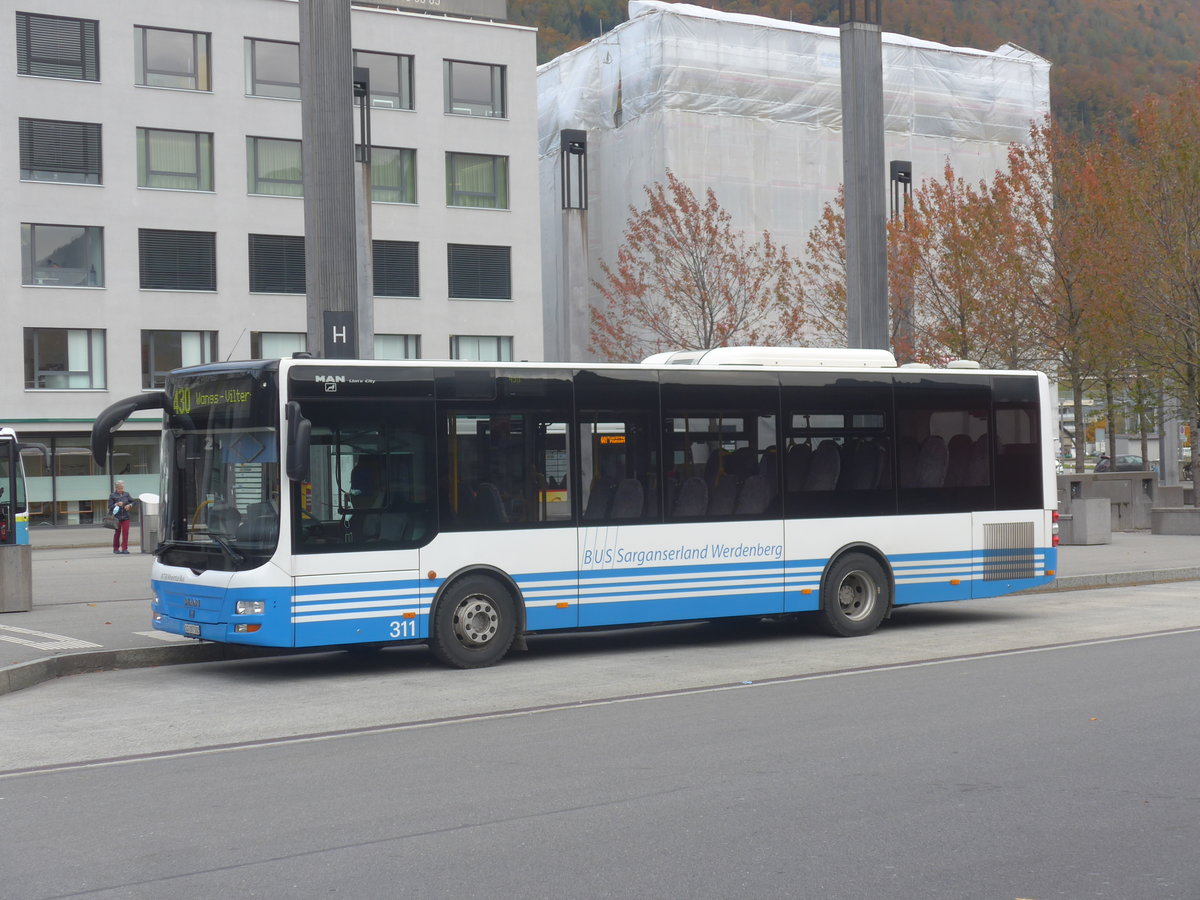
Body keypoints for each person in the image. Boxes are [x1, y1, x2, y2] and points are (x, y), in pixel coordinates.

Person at [109, 480, 135, 554]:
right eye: (119, 488)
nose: (121, 490)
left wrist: (129, 505)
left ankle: (124, 548)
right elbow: (110, 506)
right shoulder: (112, 495)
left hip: (126, 517)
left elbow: (133, 501)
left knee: (125, 533)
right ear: (116, 488)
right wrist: (116, 504)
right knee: (117, 533)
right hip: (117, 517)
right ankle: (116, 548)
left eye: (122, 488)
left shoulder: (126, 494)